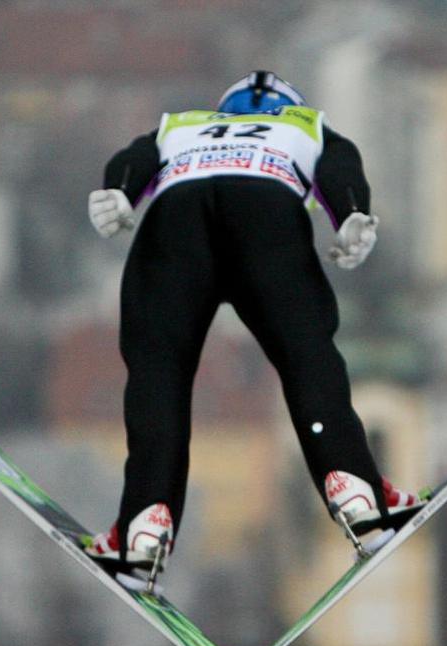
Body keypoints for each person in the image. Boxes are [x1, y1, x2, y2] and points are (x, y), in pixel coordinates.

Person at [83, 70, 426, 587]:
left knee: (159, 374)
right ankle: (358, 496)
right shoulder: (305, 126)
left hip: (176, 220)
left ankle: (143, 530)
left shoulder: (182, 126)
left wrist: (120, 191)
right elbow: (340, 164)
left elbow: (135, 157)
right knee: (306, 358)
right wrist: (353, 214)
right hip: (265, 214)